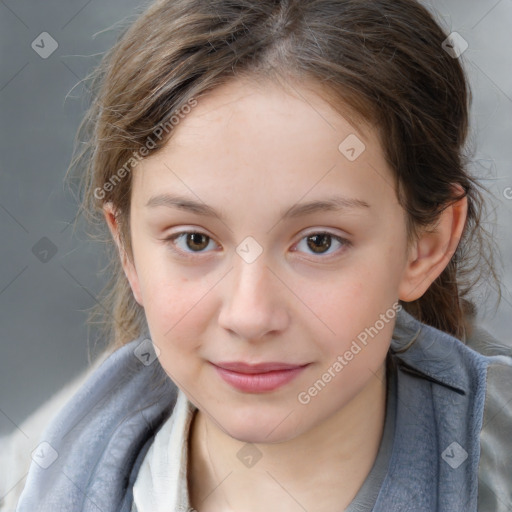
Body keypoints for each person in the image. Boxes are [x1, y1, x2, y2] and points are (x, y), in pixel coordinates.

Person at [14, 0, 512, 510]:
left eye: (319, 242)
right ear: (128, 249)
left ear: (424, 248)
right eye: (195, 240)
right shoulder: (32, 480)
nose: (250, 316)